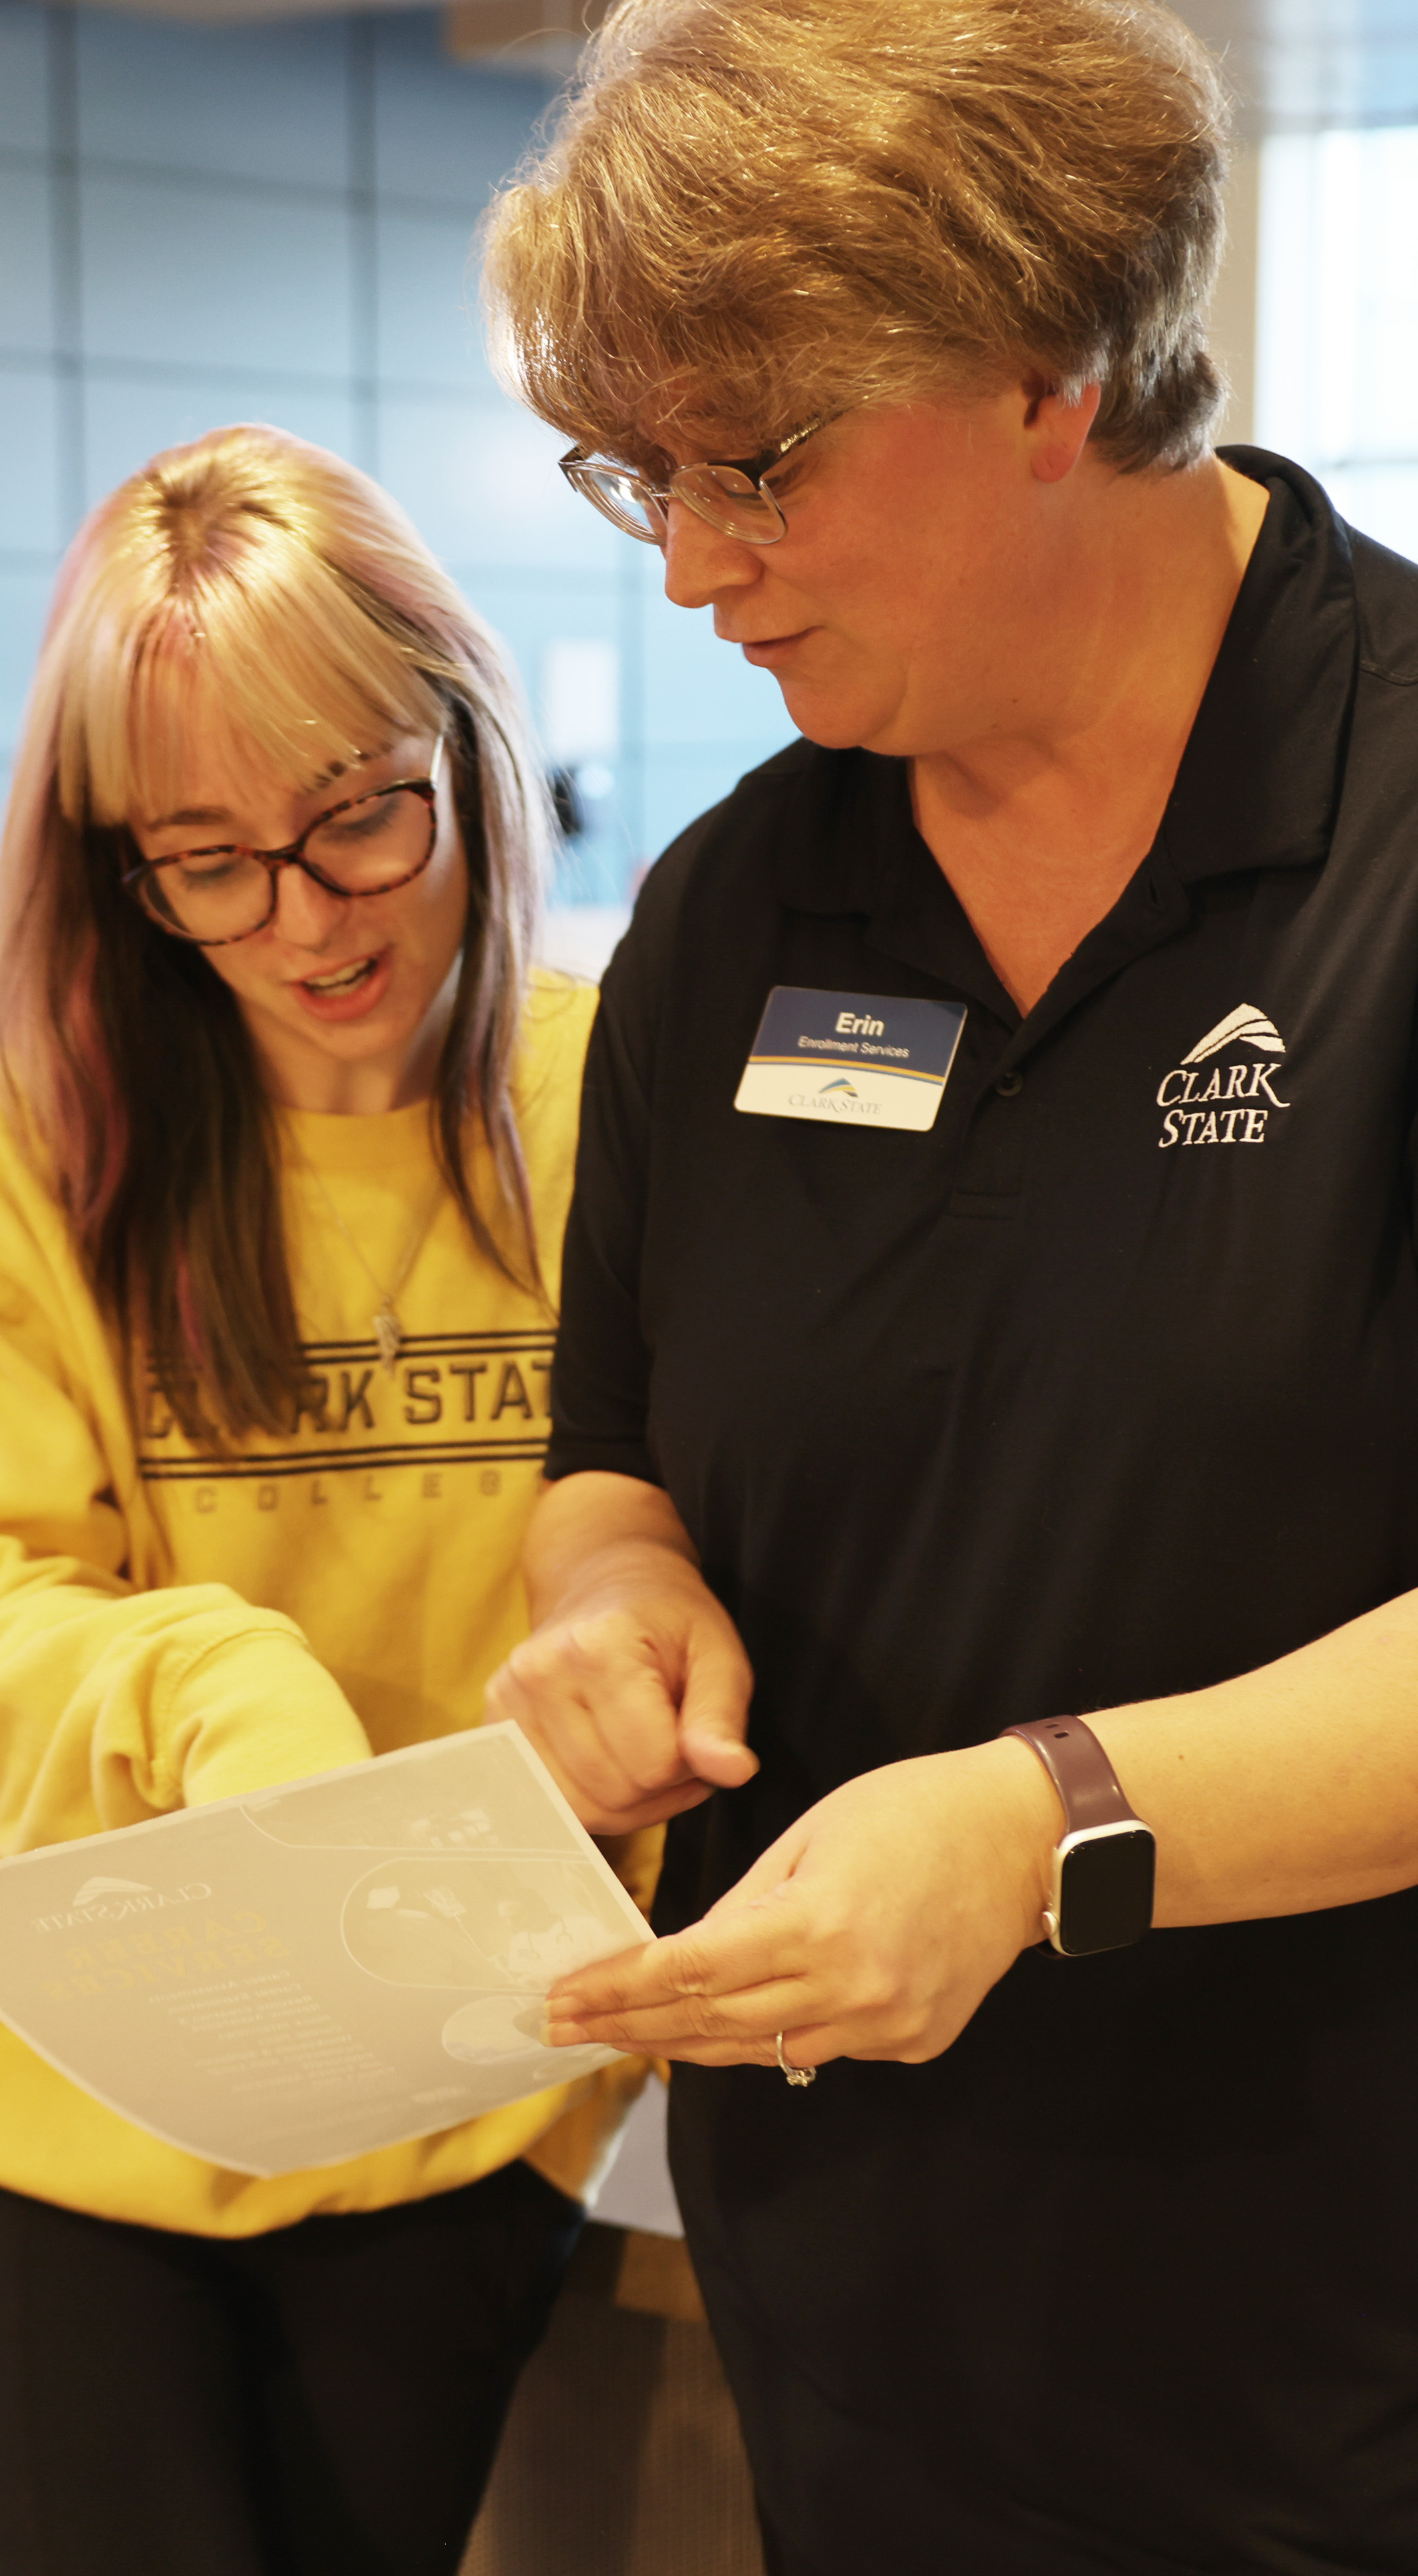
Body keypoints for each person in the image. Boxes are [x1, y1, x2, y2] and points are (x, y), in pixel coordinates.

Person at [477, 4, 1418, 2570]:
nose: (690, 563)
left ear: (1049, 367)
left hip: (1349, 2354)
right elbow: (612, 1458)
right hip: (864, 2337)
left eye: (757, 460)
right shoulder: (735, 909)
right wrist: (611, 1605)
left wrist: (1042, 1830)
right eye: (640, 473)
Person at [0, 424, 652, 2576]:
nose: (305, 920)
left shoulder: (618, 1105)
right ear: (121, 867)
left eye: (359, 816)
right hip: (57, 2097)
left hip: (454, 2098)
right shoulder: (24, 1145)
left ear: (470, 749)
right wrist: (221, 1696)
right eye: (209, 863)